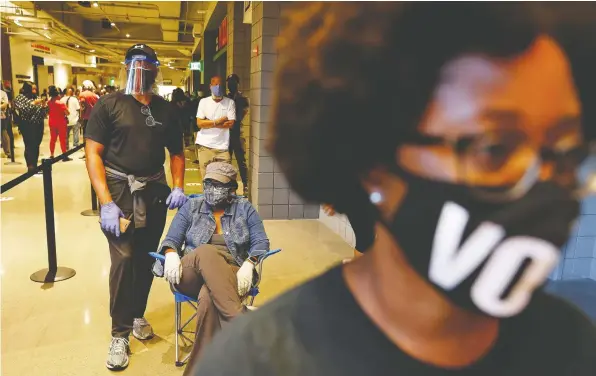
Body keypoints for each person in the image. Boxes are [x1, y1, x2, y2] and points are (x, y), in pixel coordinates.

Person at [190, 3, 596, 376]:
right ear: (373, 161)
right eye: (495, 148)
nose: (545, 183)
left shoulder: (572, 345)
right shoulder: (256, 363)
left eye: (565, 152)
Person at [84, 43, 187, 371]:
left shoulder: (166, 110)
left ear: (156, 68)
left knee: (144, 257)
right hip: (118, 192)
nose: (142, 70)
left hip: (152, 192)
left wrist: (180, 186)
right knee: (124, 258)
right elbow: (93, 153)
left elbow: (178, 153)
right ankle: (119, 332)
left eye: (148, 65)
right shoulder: (109, 105)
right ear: (127, 66)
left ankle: (137, 313)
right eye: (136, 64)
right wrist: (106, 202)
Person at [153, 161, 269, 372]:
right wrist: (170, 254)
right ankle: (238, 318)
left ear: (232, 188)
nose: (212, 189)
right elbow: (171, 239)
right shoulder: (191, 206)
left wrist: (250, 263)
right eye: (208, 183)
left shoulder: (245, 209)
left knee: (208, 297)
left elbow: (261, 242)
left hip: (230, 273)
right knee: (206, 251)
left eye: (219, 184)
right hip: (191, 272)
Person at [195, 76, 236, 179]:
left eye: (220, 85)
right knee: (206, 180)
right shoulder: (203, 102)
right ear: (210, 86)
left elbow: (230, 124)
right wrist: (219, 121)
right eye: (215, 85)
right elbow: (199, 123)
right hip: (205, 146)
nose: (218, 87)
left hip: (222, 148)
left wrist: (208, 123)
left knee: (225, 179)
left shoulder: (230, 102)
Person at [13, 82, 46, 171]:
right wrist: (34, 103)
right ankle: (30, 166)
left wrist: (43, 106)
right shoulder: (20, 98)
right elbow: (24, 111)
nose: (35, 91)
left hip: (39, 124)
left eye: (36, 89)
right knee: (29, 145)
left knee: (36, 145)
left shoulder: (36, 97)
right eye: (33, 89)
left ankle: (35, 164)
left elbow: (44, 113)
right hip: (27, 125)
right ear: (27, 89)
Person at [225, 74, 250, 196]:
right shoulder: (226, 98)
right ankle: (230, 186)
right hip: (227, 134)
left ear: (238, 83)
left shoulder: (242, 98)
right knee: (226, 160)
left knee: (241, 161)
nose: (230, 85)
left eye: (233, 82)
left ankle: (246, 185)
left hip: (237, 133)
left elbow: (244, 112)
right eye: (229, 82)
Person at [47, 86, 70, 160]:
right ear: (57, 94)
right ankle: (64, 155)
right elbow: (67, 113)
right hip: (61, 123)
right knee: (62, 139)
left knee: (53, 139)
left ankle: (52, 154)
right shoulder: (61, 104)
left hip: (52, 122)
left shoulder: (49, 102)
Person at [79, 80, 99, 159]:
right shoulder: (95, 95)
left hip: (86, 118)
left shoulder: (82, 95)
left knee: (85, 136)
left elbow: (82, 107)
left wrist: (81, 118)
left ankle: (86, 153)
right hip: (94, 119)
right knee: (93, 137)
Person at [1, 86, 10, 158]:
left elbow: (5, 103)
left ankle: (7, 151)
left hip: (1, 117)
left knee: (4, 133)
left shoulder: (3, 93)